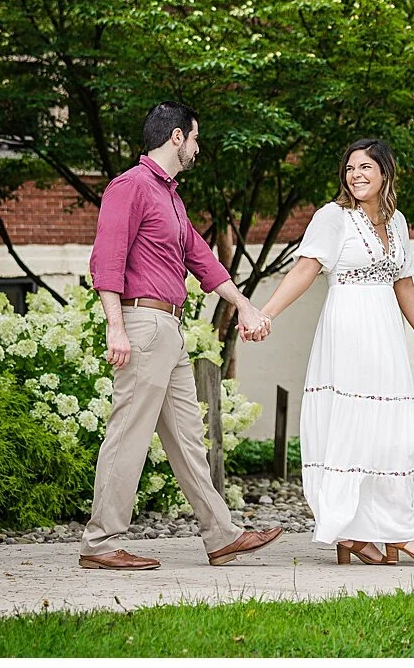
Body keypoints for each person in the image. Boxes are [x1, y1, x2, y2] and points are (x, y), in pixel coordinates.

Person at [79, 101, 281, 570]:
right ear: (175, 138)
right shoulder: (129, 186)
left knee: (190, 439)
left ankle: (221, 534)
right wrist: (116, 327)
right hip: (142, 323)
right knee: (129, 434)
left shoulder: (169, 195)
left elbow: (202, 260)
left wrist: (245, 305)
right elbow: (106, 261)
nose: (197, 147)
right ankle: (101, 543)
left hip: (169, 329)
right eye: (194, 138)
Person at [245, 138, 414, 565]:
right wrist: (265, 314)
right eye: (350, 168)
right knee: (355, 425)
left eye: (365, 167)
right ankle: (353, 529)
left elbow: (404, 283)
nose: (355, 174)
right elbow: (306, 269)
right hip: (348, 327)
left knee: (391, 429)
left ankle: (395, 528)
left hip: (386, 332)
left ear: (385, 173)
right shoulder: (332, 217)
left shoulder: (398, 223)